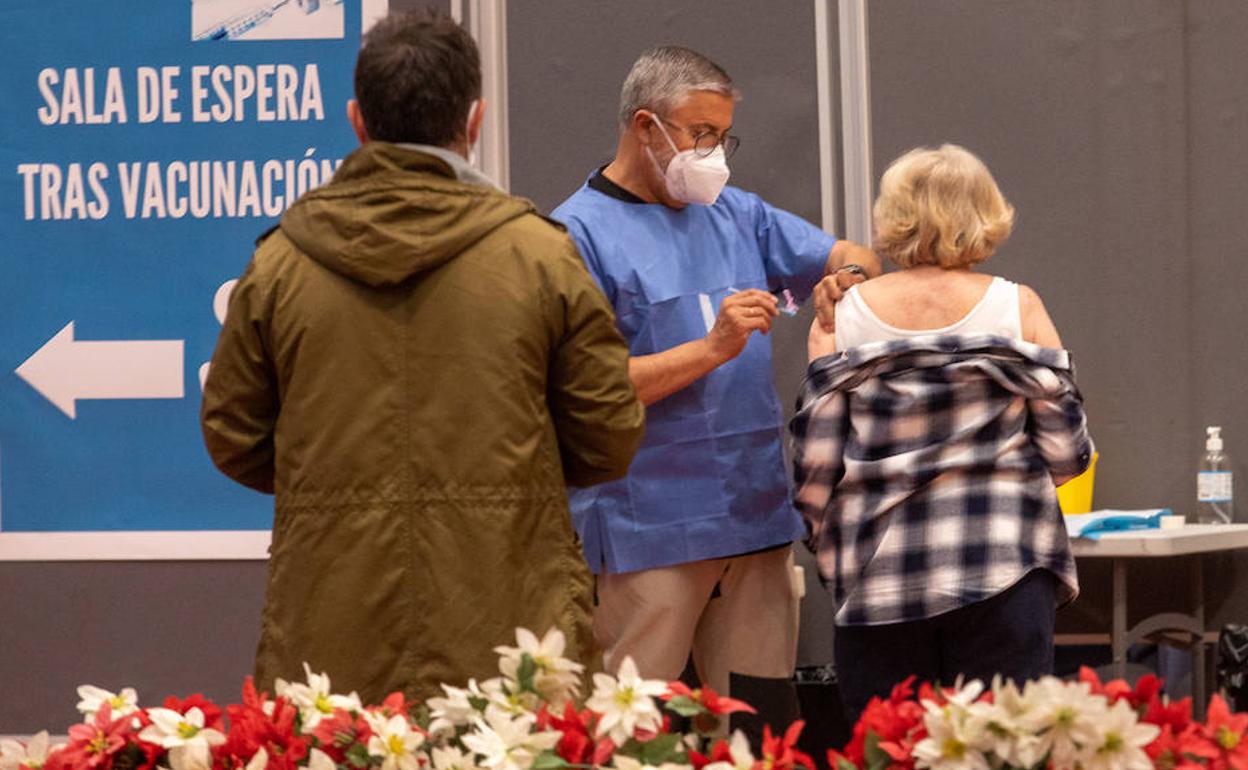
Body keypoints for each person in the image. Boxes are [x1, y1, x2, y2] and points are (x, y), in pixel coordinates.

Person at [200, 11, 645, 703]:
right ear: (475, 121)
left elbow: (233, 437)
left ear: (357, 120)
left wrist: (332, 484)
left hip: (329, 637)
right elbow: (609, 436)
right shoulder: (540, 257)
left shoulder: (281, 263)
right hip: (513, 627)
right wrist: (521, 473)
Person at [550, 45, 879, 733]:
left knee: (758, 733)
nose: (713, 154)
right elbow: (587, 391)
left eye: (722, 136)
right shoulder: (575, 236)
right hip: (649, 536)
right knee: (630, 737)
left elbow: (854, 254)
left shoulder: (737, 215)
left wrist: (846, 281)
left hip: (754, 528)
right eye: (699, 135)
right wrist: (710, 350)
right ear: (646, 127)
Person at [791, 144, 1093, 722]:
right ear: (985, 214)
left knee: (890, 754)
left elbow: (816, 463)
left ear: (893, 216)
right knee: (1004, 752)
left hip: (881, 575)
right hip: (1004, 565)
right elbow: (1066, 449)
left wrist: (824, 538)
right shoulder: (1017, 306)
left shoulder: (845, 315)